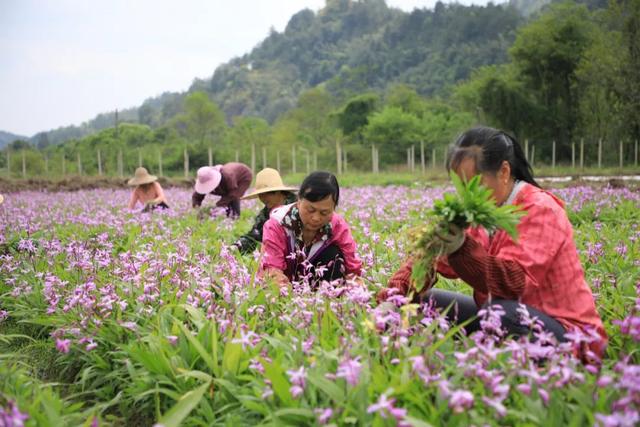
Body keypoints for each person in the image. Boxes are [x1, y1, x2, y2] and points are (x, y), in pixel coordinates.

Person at [378, 127, 606, 357]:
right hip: (505, 315)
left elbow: (512, 283)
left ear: (504, 172)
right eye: (461, 186)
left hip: (568, 335)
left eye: (474, 184)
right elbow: (431, 258)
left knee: (500, 313)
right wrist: (395, 294)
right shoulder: (483, 211)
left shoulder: (541, 210)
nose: (466, 195)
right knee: (424, 303)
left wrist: (461, 248)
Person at [261, 171, 362, 287]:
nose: (316, 218)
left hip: (317, 283)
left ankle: (330, 296)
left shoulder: (337, 225)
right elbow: (272, 268)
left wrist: (356, 284)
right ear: (299, 201)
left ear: (333, 208)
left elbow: (352, 265)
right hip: (284, 283)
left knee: (334, 254)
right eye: (310, 210)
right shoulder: (277, 224)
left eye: (324, 212)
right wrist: (287, 295)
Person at [232, 168, 297, 254]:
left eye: (266, 194)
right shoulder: (265, 214)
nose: (262, 198)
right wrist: (235, 247)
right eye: (260, 194)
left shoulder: (297, 207)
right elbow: (254, 237)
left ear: (277, 192)